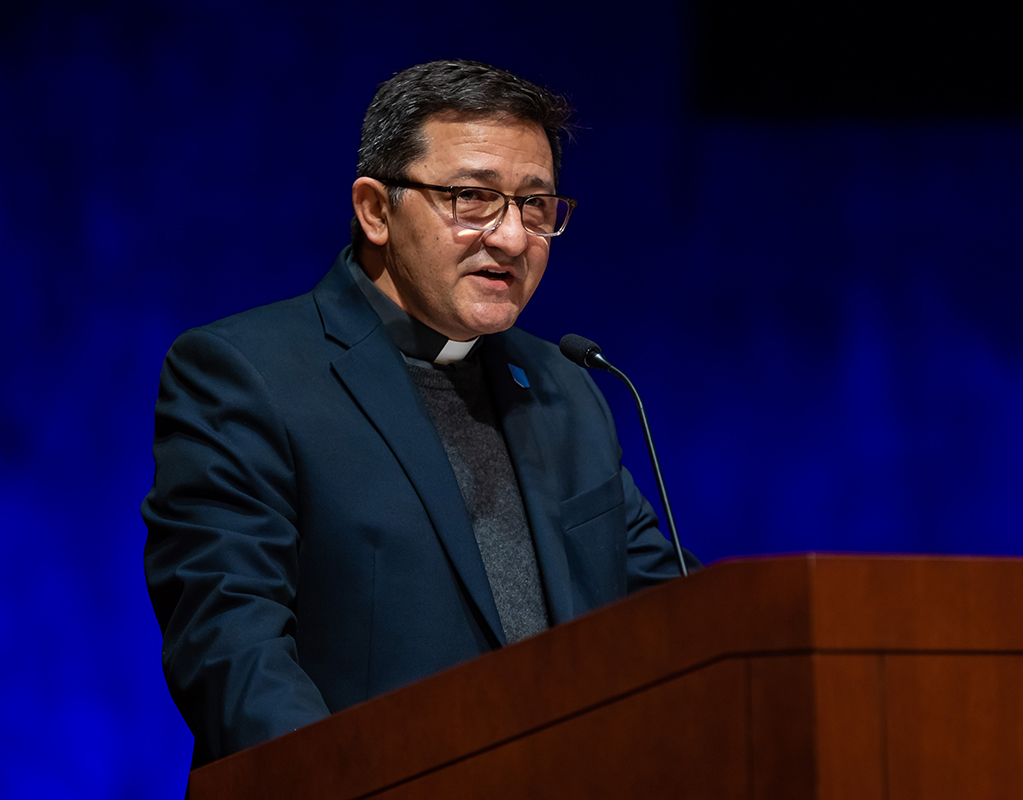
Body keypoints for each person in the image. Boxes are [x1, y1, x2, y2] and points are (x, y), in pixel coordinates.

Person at [142, 59, 699, 769]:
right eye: (473, 198)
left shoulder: (567, 387)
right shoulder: (246, 375)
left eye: (535, 206)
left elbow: (670, 619)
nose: (512, 236)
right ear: (376, 210)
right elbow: (231, 650)